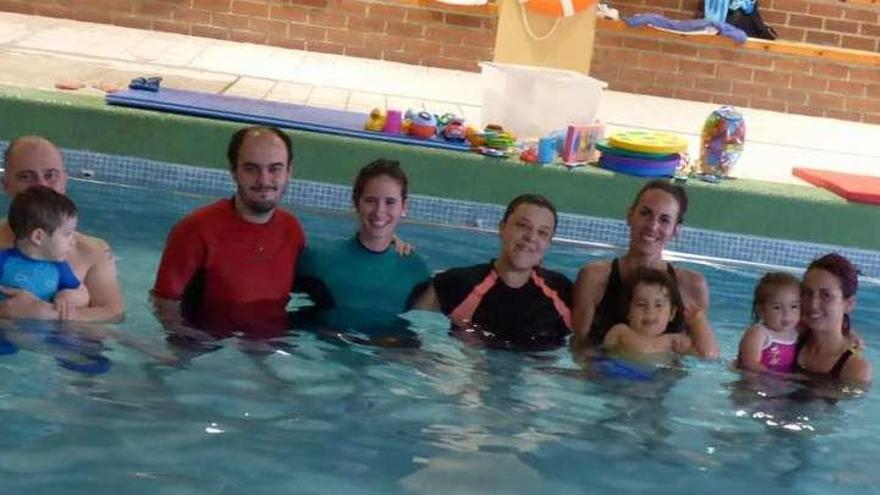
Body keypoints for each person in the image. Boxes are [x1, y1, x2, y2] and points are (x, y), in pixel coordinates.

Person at [151, 126, 305, 338]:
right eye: (251, 169)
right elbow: (164, 302)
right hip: (203, 342)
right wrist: (191, 338)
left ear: (289, 172)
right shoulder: (195, 230)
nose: (264, 180)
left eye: (275, 169)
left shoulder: (292, 229)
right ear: (234, 172)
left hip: (265, 338)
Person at [571, 179, 718, 358]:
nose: (652, 226)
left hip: (663, 382)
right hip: (603, 379)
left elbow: (705, 356)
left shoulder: (692, 285)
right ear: (630, 215)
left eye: (664, 220)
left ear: (675, 230)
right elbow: (579, 345)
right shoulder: (595, 277)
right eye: (645, 213)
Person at [294, 159, 430, 345]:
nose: (379, 211)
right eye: (370, 201)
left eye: (390, 202)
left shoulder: (416, 271)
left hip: (387, 361)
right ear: (356, 203)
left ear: (404, 207)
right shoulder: (317, 260)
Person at [414, 194, 572, 350]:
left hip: (538, 369)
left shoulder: (562, 292)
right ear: (502, 228)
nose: (531, 237)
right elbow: (415, 335)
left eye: (542, 233)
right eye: (522, 226)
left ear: (548, 243)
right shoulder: (454, 284)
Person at [0, 135, 124, 322]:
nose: (41, 186)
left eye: (50, 175)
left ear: (64, 181)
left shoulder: (93, 251)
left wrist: (45, 313)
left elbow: (114, 314)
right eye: (26, 177)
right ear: (6, 185)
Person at [0, 185, 86, 319]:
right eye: (67, 234)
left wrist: (67, 296)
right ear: (38, 237)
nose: (73, 241)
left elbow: (84, 294)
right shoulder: (4, 262)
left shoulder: (59, 268)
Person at [795, 253, 871, 383]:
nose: (813, 304)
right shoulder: (789, 338)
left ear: (848, 304)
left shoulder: (854, 369)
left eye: (826, 295)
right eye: (807, 293)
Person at [602, 267, 692, 356]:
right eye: (641, 304)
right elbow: (643, 349)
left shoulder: (675, 341)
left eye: (658, 305)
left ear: (672, 313)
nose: (650, 311)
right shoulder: (620, 331)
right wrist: (667, 341)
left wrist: (697, 320)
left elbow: (704, 354)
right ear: (627, 311)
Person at [737, 272, 800, 373]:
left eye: (794, 306)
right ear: (761, 311)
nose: (787, 313)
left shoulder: (795, 333)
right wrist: (781, 377)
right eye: (777, 307)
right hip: (754, 385)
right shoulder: (759, 333)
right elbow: (749, 364)